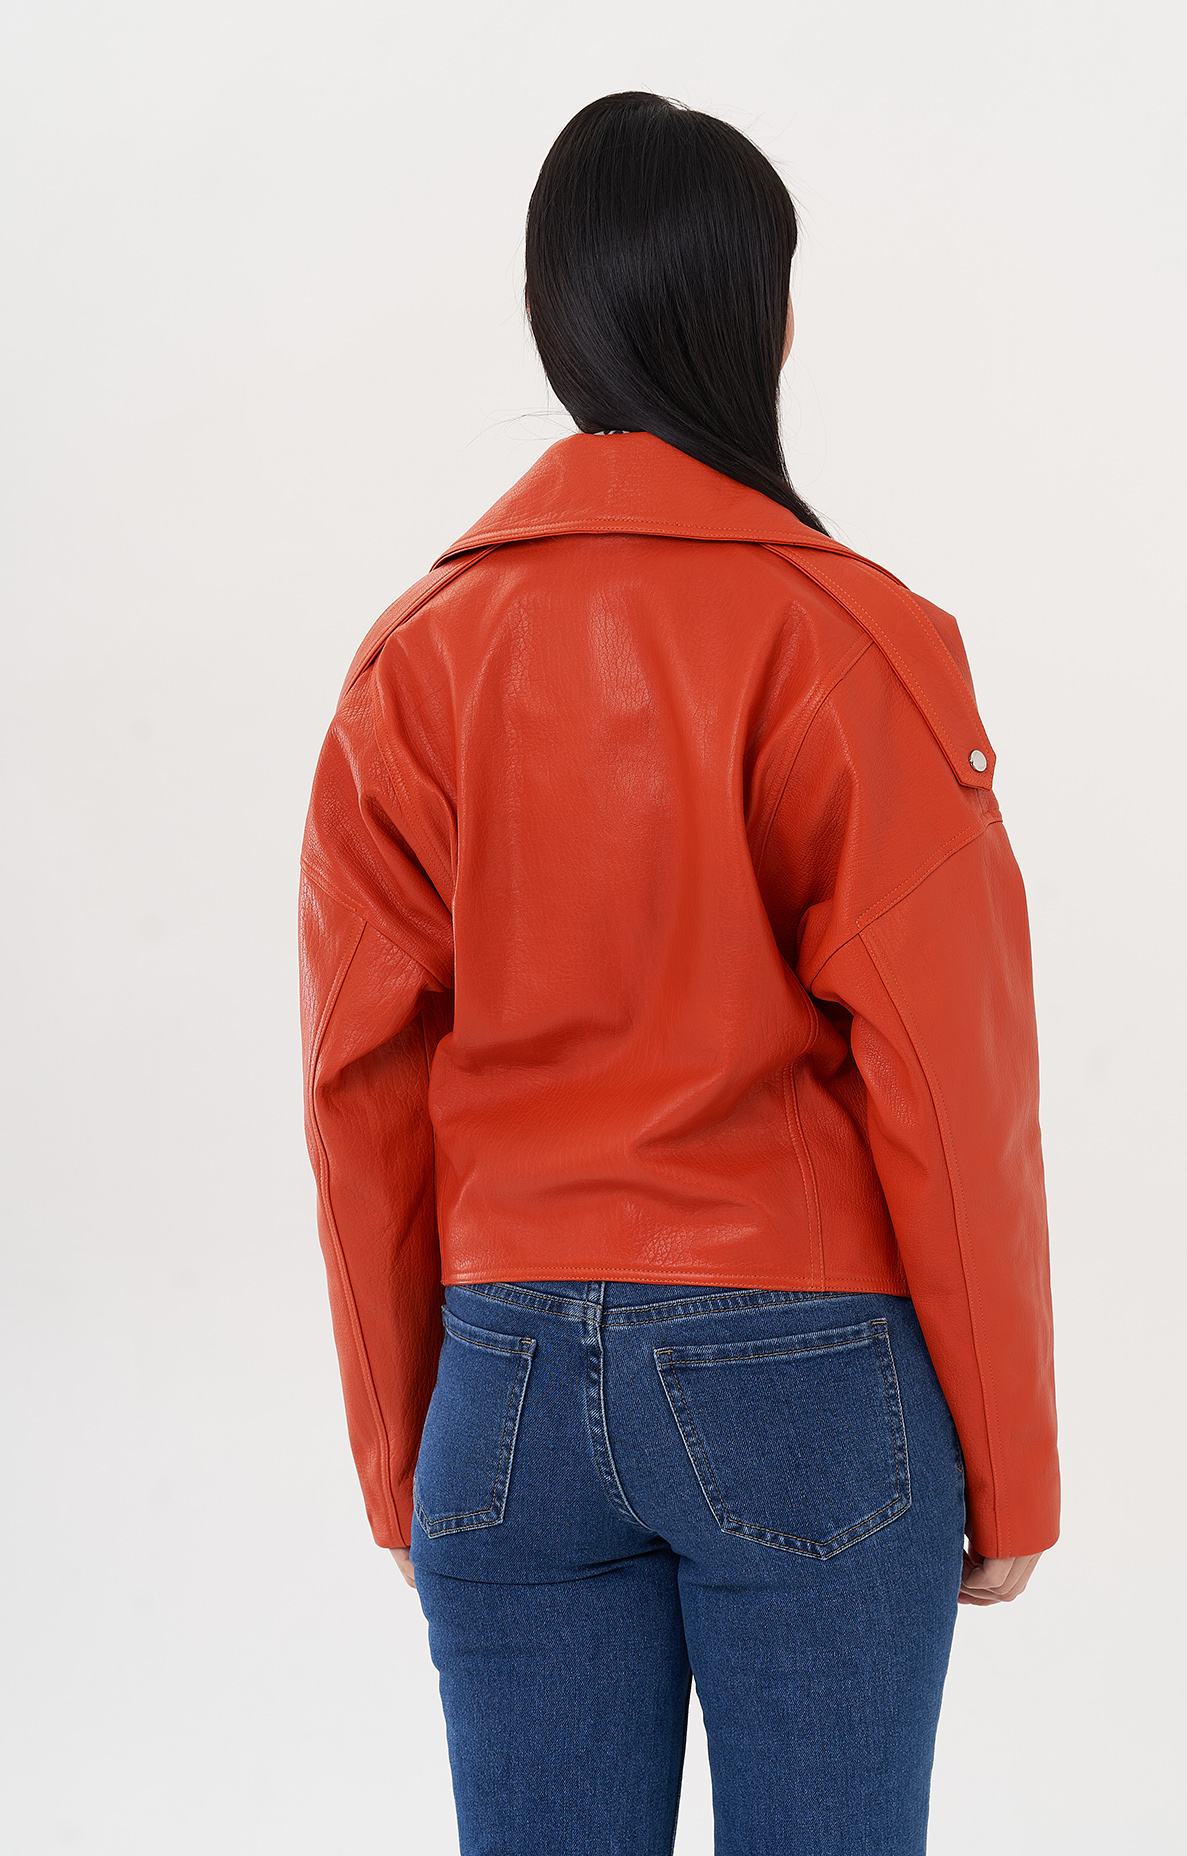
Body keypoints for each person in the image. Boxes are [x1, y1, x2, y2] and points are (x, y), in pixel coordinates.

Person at [298, 90, 1059, 1856]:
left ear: (549, 320)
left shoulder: (413, 660)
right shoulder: (851, 639)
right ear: (769, 319)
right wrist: (1011, 1465)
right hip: (806, 1376)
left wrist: (402, 1449)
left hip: (501, 1388)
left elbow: (358, 1080)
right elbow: (953, 1084)